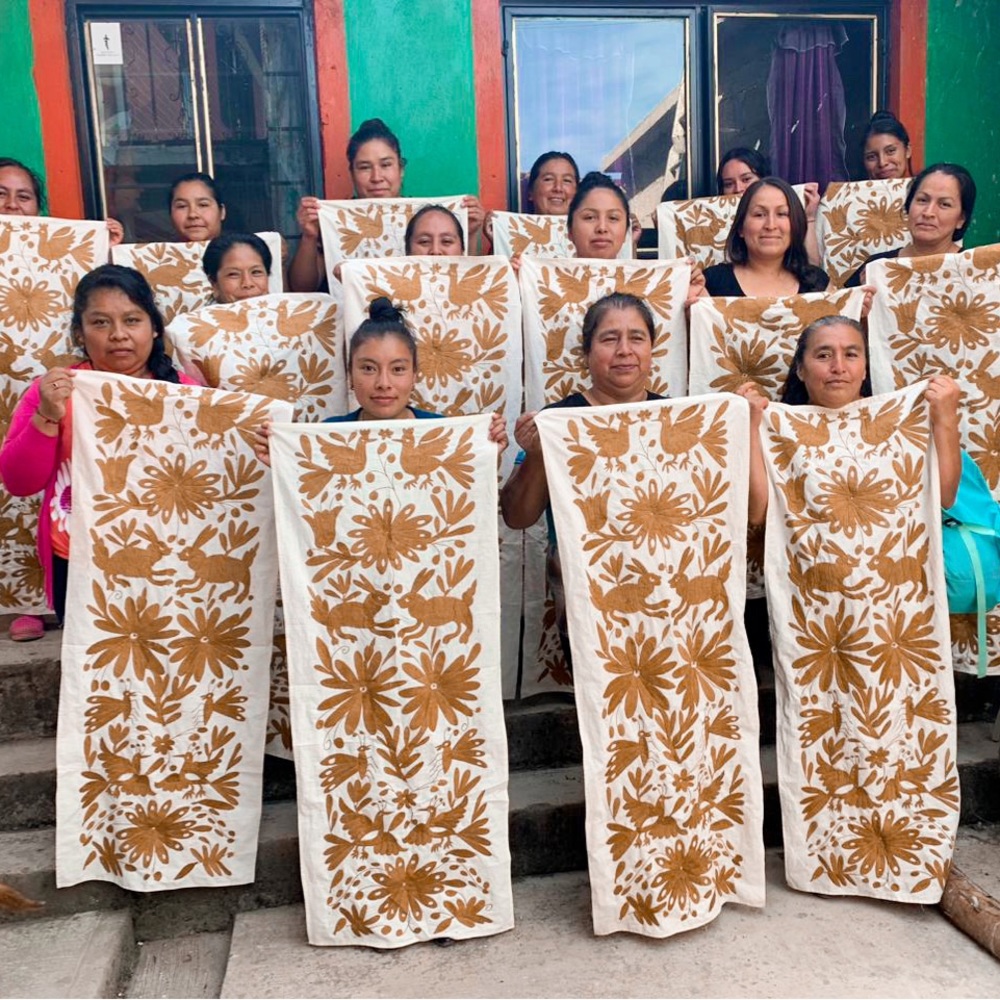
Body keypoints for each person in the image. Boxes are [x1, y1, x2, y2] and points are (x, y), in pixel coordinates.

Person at [0, 265, 197, 640]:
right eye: (101, 322)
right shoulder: (56, 392)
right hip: (77, 560)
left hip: (170, 558)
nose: (119, 335)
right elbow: (19, 481)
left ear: (154, 328)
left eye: (132, 320)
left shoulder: (185, 392)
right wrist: (47, 417)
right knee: (100, 677)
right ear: (80, 332)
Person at [500, 291, 664, 664]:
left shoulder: (674, 419)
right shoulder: (558, 421)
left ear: (652, 349)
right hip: (588, 599)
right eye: (609, 339)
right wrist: (538, 455)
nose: (624, 350)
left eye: (636, 337)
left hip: (664, 596)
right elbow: (517, 516)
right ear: (586, 352)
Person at [739, 315, 961, 526]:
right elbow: (759, 513)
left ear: (865, 369)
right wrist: (748, 427)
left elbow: (944, 497)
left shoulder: (902, 422)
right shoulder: (777, 430)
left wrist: (946, 419)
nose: (838, 367)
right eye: (824, 355)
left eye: (851, 355)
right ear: (800, 369)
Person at [254, 297, 507, 458]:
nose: (383, 383)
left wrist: (488, 455)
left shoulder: (444, 433)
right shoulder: (327, 434)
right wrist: (281, 458)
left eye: (397, 369)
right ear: (350, 375)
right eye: (368, 368)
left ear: (414, 376)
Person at [288, 119, 485, 291]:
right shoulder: (336, 224)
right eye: (364, 167)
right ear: (352, 173)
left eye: (386, 165)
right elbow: (302, 288)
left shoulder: (427, 220)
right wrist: (309, 237)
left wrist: (471, 232)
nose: (376, 177)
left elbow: (459, 279)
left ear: (401, 169)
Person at [844, 163, 976, 287]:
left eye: (944, 204)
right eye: (922, 200)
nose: (928, 212)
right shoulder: (876, 267)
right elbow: (840, 307)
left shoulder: (974, 271)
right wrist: (860, 300)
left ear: (961, 219)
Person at [701, 177, 830, 297]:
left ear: (796, 225)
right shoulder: (711, 283)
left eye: (782, 214)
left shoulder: (818, 284)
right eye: (759, 214)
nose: (771, 225)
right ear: (741, 228)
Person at [0, 156, 124, 246]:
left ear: (38, 209)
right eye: (1, 194)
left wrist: (101, 247)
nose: (12, 204)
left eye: (23, 197)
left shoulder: (58, 254)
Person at [483, 150, 580, 244]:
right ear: (530, 192)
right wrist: (499, 242)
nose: (558, 188)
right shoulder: (515, 237)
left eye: (567, 180)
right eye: (548, 179)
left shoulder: (589, 238)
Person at [566, 171, 632, 260]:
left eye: (613, 218)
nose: (602, 228)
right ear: (570, 230)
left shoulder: (644, 274)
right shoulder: (545, 273)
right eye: (589, 217)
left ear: (626, 231)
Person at [202, 233, 273, 303]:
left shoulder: (281, 312)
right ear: (214, 283)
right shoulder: (202, 315)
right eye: (233, 274)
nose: (247, 284)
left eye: (256, 272)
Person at [168, 172, 226, 243]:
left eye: (203, 205)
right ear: (170, 214)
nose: (192, 214)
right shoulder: (157, 253)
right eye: (182, 206)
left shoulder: (240, 253)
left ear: (222, 212)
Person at [861, 110, 913, 181]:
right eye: (871, 157)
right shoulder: (854, 191)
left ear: (907, 150)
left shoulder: (926, 189)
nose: (882, 163)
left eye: (890, 151)